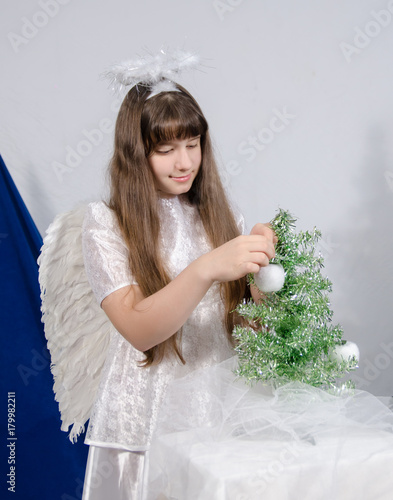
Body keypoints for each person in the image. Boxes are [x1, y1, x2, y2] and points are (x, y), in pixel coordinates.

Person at [72, 62, 276, 499]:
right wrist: (205, 269)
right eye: (165, 150)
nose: (185, 162)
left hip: (215, 417)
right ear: (135, 152)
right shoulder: (106, 224)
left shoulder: (222, 217)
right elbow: (140, 330)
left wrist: (263, 280)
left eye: (193, 143)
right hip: (143, 425)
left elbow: (248, 330)